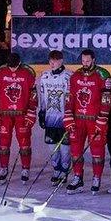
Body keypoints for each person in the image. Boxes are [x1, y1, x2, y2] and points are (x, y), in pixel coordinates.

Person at [65, 49, 111, 194]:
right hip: (78, 119)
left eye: (88, 61)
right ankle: (78, 177)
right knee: (75, 150)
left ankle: (96, 178)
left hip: (95, 120)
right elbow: (70, 97)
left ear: (94, 60)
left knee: (97, 151)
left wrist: (103, 117)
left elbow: (107, 97)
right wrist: (68, 115)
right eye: (83, 61)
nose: (85, 63)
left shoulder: (102, 75)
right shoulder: (75, 75)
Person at [0, 54, 38, 182]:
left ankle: (25, 168)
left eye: (15, 67)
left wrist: (31, 111)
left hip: (21, 114)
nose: (12, 69)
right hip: (4, 114)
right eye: (10, 67)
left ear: (20, 63)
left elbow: (33, 94)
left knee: (24, 142)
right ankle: (4, 167)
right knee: (4, 142)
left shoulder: (27, 73)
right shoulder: (0, 72)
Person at [36, 50, 73, 186]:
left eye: (55, 60)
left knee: (65, 149)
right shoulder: (44, 76)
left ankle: (64, 171)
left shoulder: (69, 76)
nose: (52, 63)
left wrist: (71, 116)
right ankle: (56, 170)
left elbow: (72, 98)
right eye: (50, 60)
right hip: (50, 119)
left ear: (61, 61)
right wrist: (41, 112)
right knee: (53, 148)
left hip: (64, 119)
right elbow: (42, 96)